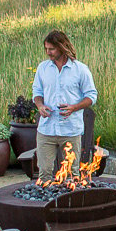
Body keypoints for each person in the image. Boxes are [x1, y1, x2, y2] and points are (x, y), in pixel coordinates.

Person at [31, 29, 97, 179]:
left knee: (71, 176)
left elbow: (92, 96)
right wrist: (40, 106)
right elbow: (36, 93)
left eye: (52, 49)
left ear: (62, 47)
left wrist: (74, 107)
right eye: (46, 49)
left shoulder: (80, 69)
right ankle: (45, 201)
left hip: (70, 130)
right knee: (44, 174)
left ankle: (69, 202)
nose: (48, 52)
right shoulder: (43, 68)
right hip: (46, 130)